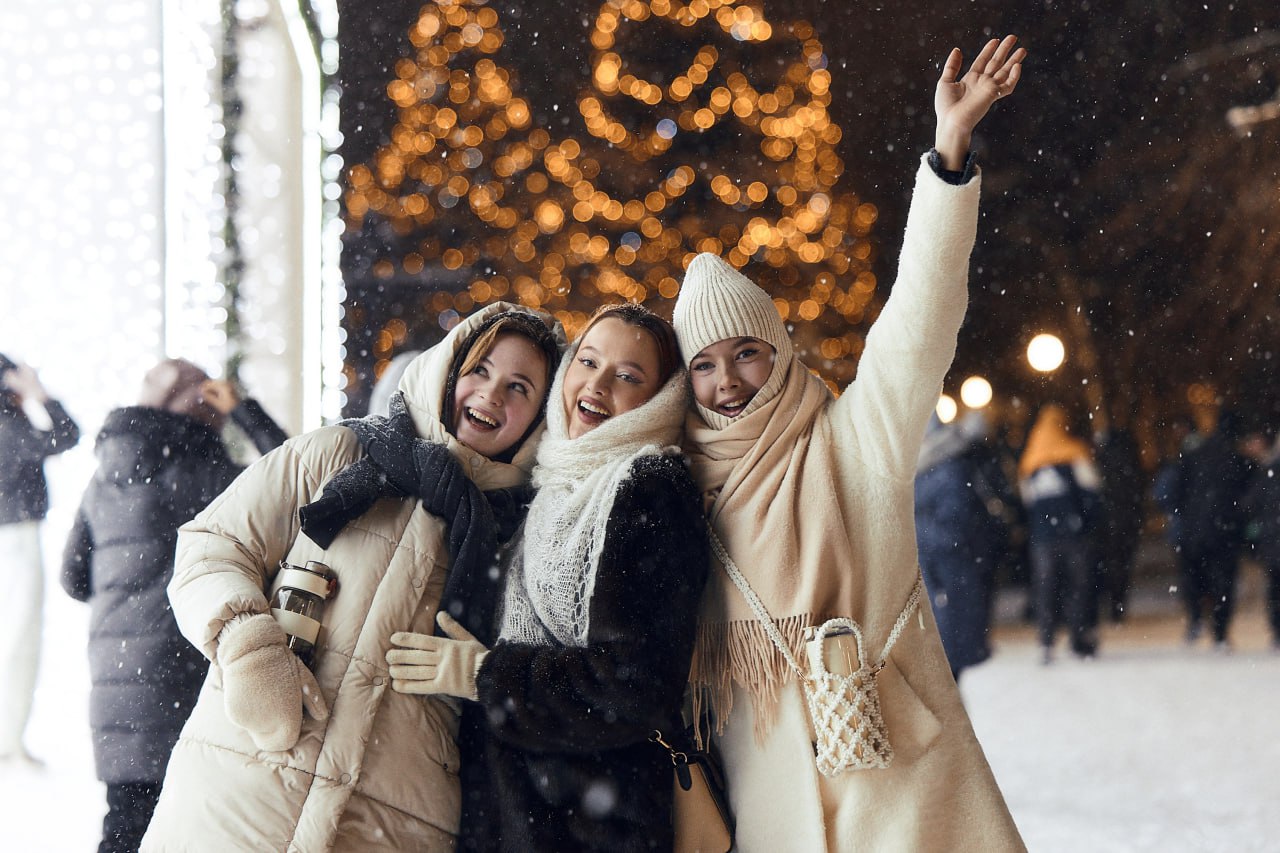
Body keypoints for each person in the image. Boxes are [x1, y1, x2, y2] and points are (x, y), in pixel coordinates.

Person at [672, 37, 1027, 852]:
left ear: (779, 350)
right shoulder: (679, 488)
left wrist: (948, 154)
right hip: (770, 813)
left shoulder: (851, 440)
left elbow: (920, 319)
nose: (729, 381)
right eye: (704, 365)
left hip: (900, 795)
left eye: (747, 352)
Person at [140, 303, 563, 852]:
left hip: (393, 821)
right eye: (479, 370)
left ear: (539, 416)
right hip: (242, 795)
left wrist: (487, 676)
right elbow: (212, 544)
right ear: (448, 369)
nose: (491, 394)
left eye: (519, 387)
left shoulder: (525, 533)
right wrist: (249, 647)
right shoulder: (337, 452)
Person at [386, 303, 709, 852]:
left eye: (628, 376)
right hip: (514, 818)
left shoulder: (651, 488)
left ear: (661, 399)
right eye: (589, 361)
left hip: (589, 828)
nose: (598, 385)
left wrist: (486, 676)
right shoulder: (545, 481)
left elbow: (637, 685)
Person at [60, 359, 288, 853]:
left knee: (125, 823)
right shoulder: (209, 474)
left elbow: (73, 580)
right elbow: (297, 479)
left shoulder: (103, 478)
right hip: (181, 678)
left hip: (117, 681)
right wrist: (245, 411)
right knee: (183, 829)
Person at [0, 353, 79, 768]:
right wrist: (39, 394)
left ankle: (10, 738)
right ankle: (8, 740)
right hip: (14, 537)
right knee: (18, 639)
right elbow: (66, 436)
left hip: (14, 534)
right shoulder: (8, 426)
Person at [914, 410, 1015, 682]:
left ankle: (949, 664)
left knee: (945, 609)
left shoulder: (927, 464)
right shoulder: (945, 462)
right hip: (947, 547)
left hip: (935, 547)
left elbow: (950, 509)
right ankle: (953, 663)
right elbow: (956, 508)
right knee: (954, 607)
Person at [1017, 404, 1103, 663]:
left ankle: (1046, 641)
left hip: (1043, 538)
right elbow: (1092, 490)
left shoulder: (1030, 461)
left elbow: (1027, 501)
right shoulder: (1074, 453)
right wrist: (1085, 521)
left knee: (1045, 589)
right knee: (1078, 587)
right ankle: (1079, 639)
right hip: (1074, 535)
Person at [1162, 410, 1254, 649]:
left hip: (1195, 531)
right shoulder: (1239, 460)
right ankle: (1220, 632)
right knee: (1223, 582)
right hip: (1225, 532)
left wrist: (1184, 518)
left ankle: (1196, 619)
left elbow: (1175, 491)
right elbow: (1250, 497)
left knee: (1195, 579)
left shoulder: (1194, 455)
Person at [1092, 427, 1146, 622]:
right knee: (1121, 566)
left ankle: (1108, 606)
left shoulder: (1102, 465)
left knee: (1106, 566)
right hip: (1125, 522)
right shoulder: (1129, 464)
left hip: (1108, 523)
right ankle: (1117, 606)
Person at [1241, 428, 1280, 650]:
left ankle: (1277, 630)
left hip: (1272, 540)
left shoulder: (1267, 472)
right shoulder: (1266, 472)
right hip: (1272, 539)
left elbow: (1251, 503)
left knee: (1275, 587)